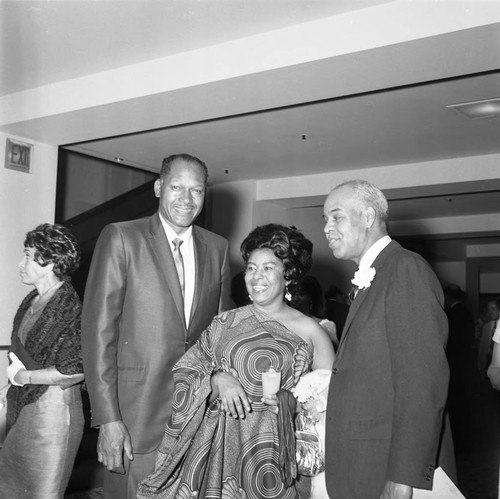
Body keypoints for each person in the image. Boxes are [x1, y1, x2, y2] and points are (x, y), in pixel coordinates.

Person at [137, 223, 335, 499]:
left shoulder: (313, 332)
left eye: (268, 268)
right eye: (251, 268)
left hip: (276, 455)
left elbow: (331, 404)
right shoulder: (225, 323)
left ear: (288, 275)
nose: (256, 276)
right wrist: (217, 380)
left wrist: (290, 402)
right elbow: (187, 368)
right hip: (219, 448)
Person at [81, 153, 231, 498]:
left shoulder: (217, 248)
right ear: (159, 187)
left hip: (196, 417)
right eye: (177, 187)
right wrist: (108, 419)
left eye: (196, 190)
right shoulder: (121, 237)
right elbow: (98, 333)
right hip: (135, 416)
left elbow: (219, 331)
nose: (187, 198)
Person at [322, 180, 455, 499]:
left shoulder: (406, 269)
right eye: (325, 219)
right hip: (364, 464)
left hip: (388, 470)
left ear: (368, 217)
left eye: (335, 217)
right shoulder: (377, 274)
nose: (327, 228)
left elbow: (423, 383)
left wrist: (404, 477)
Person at [0, 223, 85, 498]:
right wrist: (9, 388)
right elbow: (25, 354)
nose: (20, 263)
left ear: (48, 263)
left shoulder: (68, 304)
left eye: (27, 255)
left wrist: (24, 378)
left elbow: (75, 369)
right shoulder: (33, 299)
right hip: (26, 408)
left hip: (53, 415)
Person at [443, 284, 476, 452]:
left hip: (455, 364)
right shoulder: (467, 313)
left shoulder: (452, 315)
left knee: (457, 404)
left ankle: (460, 444)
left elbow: (452, 341)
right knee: (463, 403)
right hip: (466, 364)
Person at [290, 274, 339, 349]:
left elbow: (336, 356)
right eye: (293, 294)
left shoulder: (326, 326)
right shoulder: (283, 323)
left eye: (301, 294)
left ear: (312, 298)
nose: (295, 298)